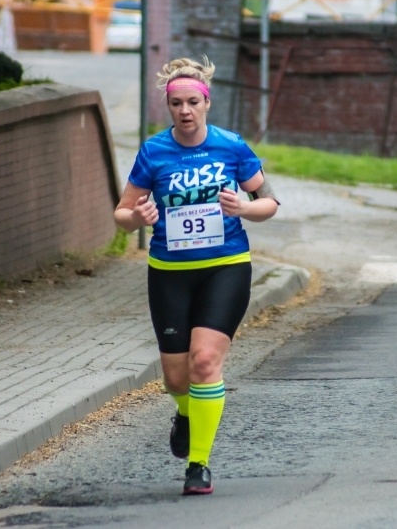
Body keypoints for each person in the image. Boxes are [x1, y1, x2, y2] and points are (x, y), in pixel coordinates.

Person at [114, 55, 279, 495]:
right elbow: (122, 212)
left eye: (192, 102)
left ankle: (198, 464)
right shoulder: (154, 151)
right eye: (176, 104)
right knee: (175, 377)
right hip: (170, 272)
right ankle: (184, 413)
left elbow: (269, 201)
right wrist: (138, 217)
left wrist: (244, 207)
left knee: (204, 361)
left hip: (226, 266)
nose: (185, 111)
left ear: (206, 104)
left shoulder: (231, 145)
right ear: (168, 107)